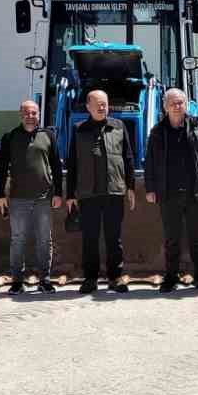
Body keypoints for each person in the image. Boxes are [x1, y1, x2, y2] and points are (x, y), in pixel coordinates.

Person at [147, 88, 198, 292]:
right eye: (173, 103)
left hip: (196, 192)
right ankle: (170, 277)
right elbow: (150, 163)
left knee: (197, 239)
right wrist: (150, 188)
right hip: (169, 194)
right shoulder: (157, 132)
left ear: (186, 104)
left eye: (181, 102)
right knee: (172, 239)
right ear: (165, 106)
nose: (177, 106)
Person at [67, 89, 137, 293]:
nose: (102, 107)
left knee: (114, 238)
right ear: (88, 107)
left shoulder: (118, 126)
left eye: (104, 104)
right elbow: (72, 163)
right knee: (90, 237)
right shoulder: (79, 129)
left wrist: (130, 186)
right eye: (97, 104)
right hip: (88, 194)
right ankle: (90, 278)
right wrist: (70, 195)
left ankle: (115, 277)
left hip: (114, 192)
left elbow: (128, 158)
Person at [0, 100, 63, 294]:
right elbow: (1, 168)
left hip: (44, 197)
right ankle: (17, 280)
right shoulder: (10, 137)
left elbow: (56, 167)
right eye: (26, 113)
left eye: (34, 113)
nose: (30, 116)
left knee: (44, 239)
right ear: (20, 114)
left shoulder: (48, 136)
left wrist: (58, 193)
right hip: (18, 198)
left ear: (39, 114)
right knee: (18, 239)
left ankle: (45, 279)